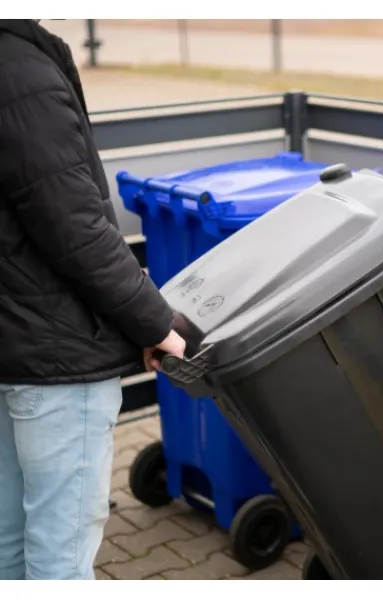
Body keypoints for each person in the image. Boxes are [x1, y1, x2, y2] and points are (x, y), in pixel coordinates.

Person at [0, 20, 186, 580]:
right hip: (58, 354)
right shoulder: (21, 72)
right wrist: (157, 325)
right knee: (59, 558)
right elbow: (76, 230)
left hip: (15, 345)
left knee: (9, 543)